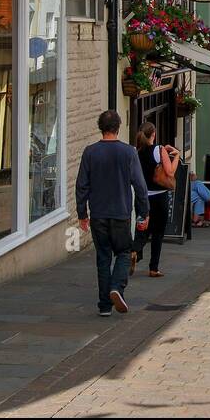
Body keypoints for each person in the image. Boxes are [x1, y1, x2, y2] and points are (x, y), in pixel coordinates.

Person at [76, 110, 149, 316]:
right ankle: (117, 287)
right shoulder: (128, 152)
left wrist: (82, 214)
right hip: (120, 214)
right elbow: (141, 187)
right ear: (118, 127)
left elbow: (82, 185)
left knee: (103, 257)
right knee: (124, 252)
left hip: (98, 214)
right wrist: (144, 213)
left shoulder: (89, 152)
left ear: (101, 127)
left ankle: (104, 305)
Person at [132, 124, 176, 278]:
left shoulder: (136, 152)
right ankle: (153, 268)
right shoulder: (159, 150)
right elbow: (170, 173)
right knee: (158, 233)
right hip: (159, 196)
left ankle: (134, 251)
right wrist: (176, 155)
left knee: (142, 229)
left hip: (142, 197)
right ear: (154, 134)